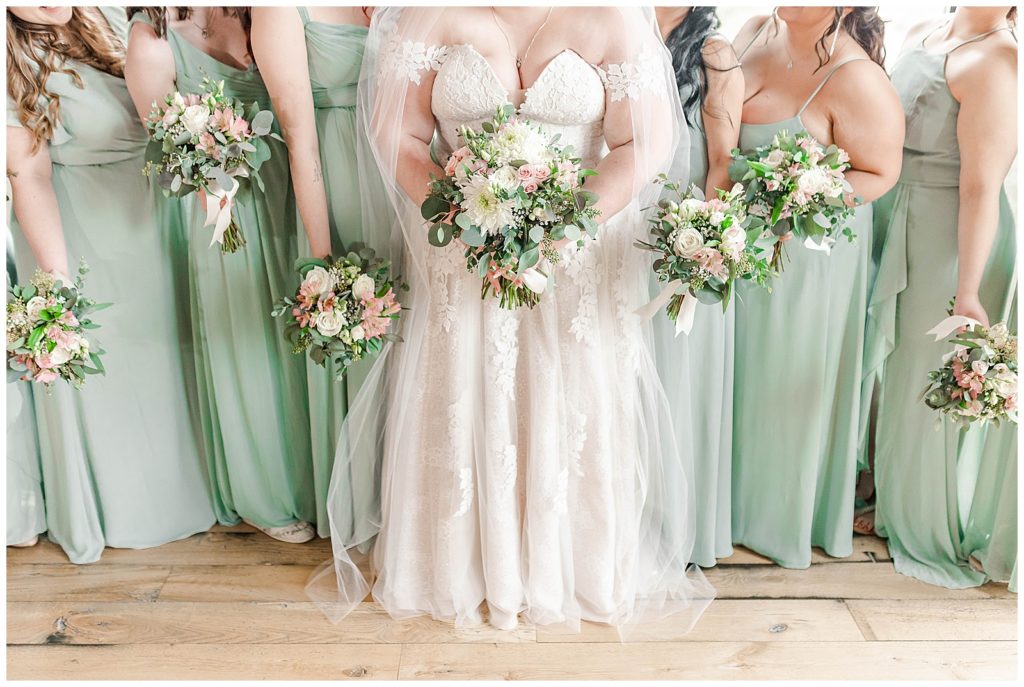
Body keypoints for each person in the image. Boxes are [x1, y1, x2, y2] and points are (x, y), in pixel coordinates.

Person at [311, 6, 714, 633]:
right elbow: (398, 136)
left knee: (567, 391)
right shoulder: (429, 16)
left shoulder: (610, 16)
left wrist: (562, 226)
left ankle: (568, 569)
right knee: (470, 389)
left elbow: (644, 144)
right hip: (462, 249)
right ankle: (461, 567)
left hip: (578, 252)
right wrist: (460, 216)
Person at [6, 5, 215, 563]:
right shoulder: (11, 58)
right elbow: (30, 176)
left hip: (155, 218)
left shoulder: (110, 17)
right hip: (86, 231)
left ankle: (196, 488)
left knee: (173, 362)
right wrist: (58, 284)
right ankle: (128, 508)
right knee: (121, 376)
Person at [125, 6, 317, 543]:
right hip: (226, 215)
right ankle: (265, 494)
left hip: (293, 190)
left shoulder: (261, 12)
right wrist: (215, 167)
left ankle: (314, 480)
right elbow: (171, 155)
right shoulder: (151, 40)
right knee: (249, 352)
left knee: (298, 343)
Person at [729, 7, 903, 568]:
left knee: (779, 380)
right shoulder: (755, 29)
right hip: (736, 245)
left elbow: (881, 173)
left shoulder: (858, 79)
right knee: (738, 377)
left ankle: (778, 515)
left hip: (807, 259)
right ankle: (723, 508)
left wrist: (798, 195)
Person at [865, 6, 1017, 588]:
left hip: (952, 237)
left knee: (919, 379)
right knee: (889, 371)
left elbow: (980, 186)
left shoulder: (997, 58)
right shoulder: (926, 28)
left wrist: (968, 292)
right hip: (899, 212)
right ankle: (884, 493)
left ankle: (917, 519)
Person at [251, 6, 389, 540]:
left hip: (410, 175)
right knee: (363, 341)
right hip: (339, 180)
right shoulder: (280, 10)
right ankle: (364, 497)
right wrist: (323, 262)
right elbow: (300, 139)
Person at [654, 6, 743, 567]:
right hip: (615, 231)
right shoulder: (613, 24)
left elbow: (722, 164)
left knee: (679, 381)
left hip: (681, 240)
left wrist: (703, 247)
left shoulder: (713, 52)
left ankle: (677, 528)